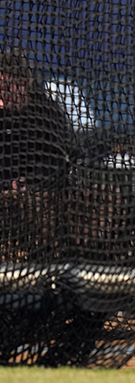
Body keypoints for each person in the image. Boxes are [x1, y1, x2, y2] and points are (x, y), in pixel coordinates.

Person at [0, 46, 76, 261]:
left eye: (8, 86)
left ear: (26, 84)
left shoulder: (46, 115)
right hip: (4, 192)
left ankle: (52, 265)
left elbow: (58, 158)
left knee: (42, 203)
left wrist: (30, 181)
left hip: (36, 194)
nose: (3, 94)